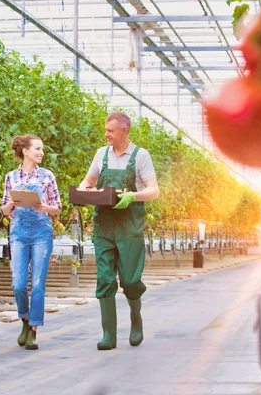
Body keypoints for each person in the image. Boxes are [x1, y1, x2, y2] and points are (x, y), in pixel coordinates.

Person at [79, 111, 159, 350]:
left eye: (111, 131)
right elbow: (88, 181)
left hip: (129, 226)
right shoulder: (101, 154)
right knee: (104, 278)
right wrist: (85, 191)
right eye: (106, 130)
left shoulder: (140, 155)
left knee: (130, 280)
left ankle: (136, 319)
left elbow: (154, 190)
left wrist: (133, 196)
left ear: (124, 131)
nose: (106, 135)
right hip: (104, 225)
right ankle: (108, 335)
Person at [0, 135, 62, 350]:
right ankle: (25, 321)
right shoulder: (11, 177)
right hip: (18, 232)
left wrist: (46, 207)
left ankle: (33, 331)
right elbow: (5, 210)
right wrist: (11, 202)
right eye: (37, 148)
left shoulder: (47, 176)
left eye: (42, 149)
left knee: (37, 284)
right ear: (25, 151)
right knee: (18, 284)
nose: (41, 152)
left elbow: (58, 207)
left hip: (41, 233)